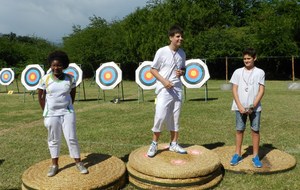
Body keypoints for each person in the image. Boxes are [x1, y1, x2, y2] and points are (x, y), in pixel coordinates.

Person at [37, 50, 88, 177]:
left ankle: (78, 162)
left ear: (64, 65)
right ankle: (54, 165)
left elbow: (73, 93)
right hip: (51, 114)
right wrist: (46, 111)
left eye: (59, 65)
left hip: (67, 112)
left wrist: (69, 106)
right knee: (53, 139)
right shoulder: (45, 79)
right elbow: (41, 96)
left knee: (71, 137)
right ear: (50, 65)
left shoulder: (70, 78)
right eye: (53, 65)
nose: (56, 68)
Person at [147, 25, 187, 157]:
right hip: (164, 89)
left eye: (181, 36)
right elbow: (153, 69)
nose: (180, 38)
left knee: (175, 117)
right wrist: (164, 81)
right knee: (160, 116)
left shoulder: (182, 53)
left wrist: (182, 72)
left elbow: (183, 69)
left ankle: (174, 144)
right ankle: (154, 144)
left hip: (177, 89)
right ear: (171, 38)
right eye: (177, 36)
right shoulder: (162, 51)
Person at [229, 48, 265, 168]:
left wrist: (253, 105)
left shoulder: (260, 72)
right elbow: (234, 89)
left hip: (255, 108)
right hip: (239, 107)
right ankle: (237, 154)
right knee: (239, 130)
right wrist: (239, 105)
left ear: (254, 58)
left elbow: (261, 90)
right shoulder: (237, 72)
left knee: (255, 131)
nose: (246, 60)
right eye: (244, 58)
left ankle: (255, 156)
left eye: (249, 58)